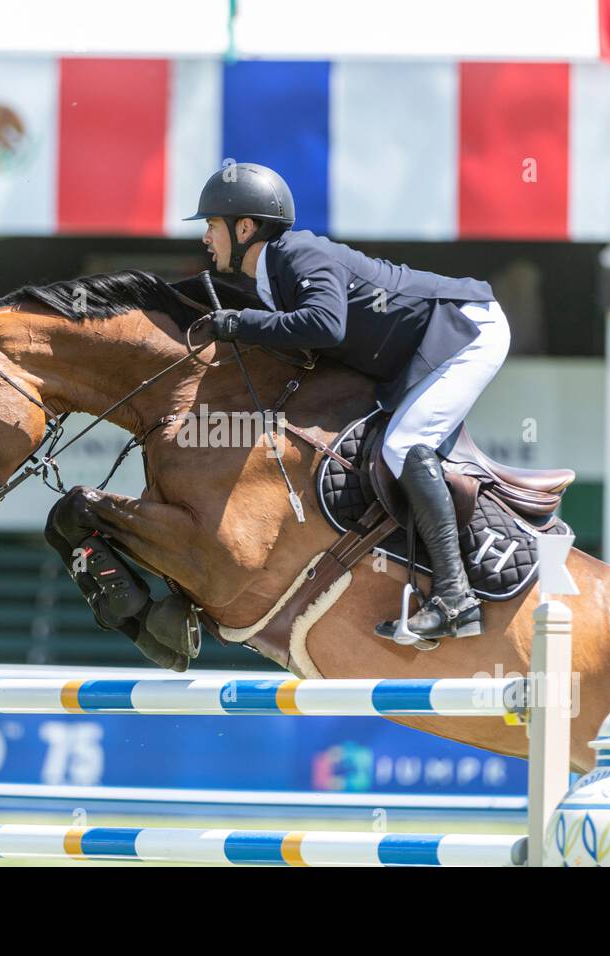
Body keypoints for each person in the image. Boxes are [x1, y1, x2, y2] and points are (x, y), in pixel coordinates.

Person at [186, 162, 510, 641]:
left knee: (404, 446)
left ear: (245, 227)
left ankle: (456, 598)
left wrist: (238, 324)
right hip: (426, 349)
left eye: (212, 226)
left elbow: (325, 325)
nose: (207, 239)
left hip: (465, 331)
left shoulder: (297, 253)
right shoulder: (272, 279)